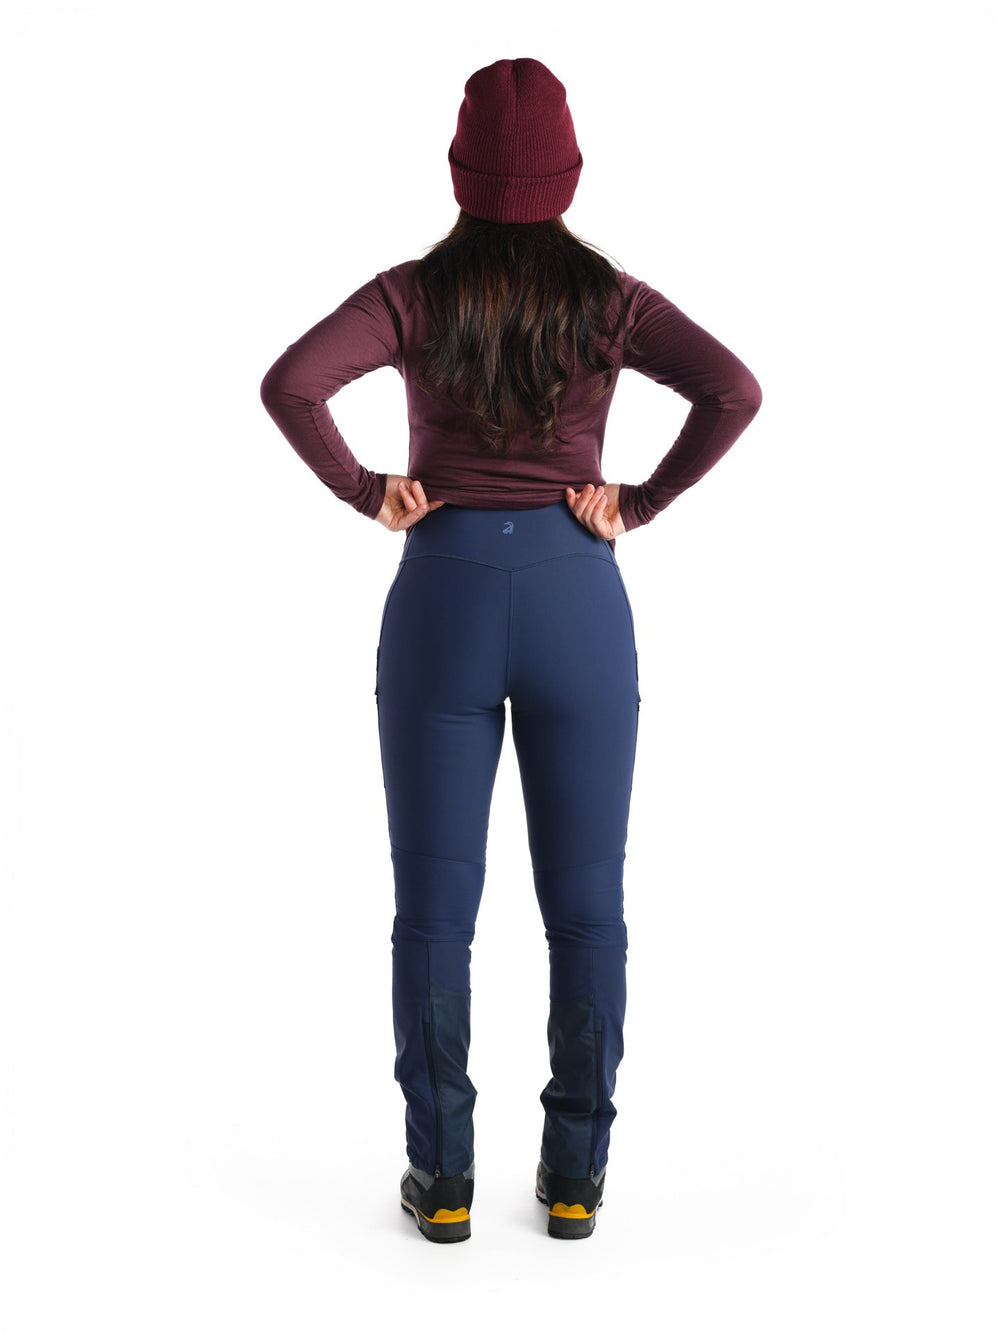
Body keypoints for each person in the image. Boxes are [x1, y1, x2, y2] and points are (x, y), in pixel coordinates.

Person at [259, 56, 762, 1244]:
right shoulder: (609, 299)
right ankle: (575, 1176)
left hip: (439, 596)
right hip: (574, 597)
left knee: (434, 910)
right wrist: (637, 503)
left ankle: (442, 1179)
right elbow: (733, 391)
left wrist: (368, 489)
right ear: (568, 174)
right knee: (586, 908)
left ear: (460, 172)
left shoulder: (411, 295)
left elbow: (291, 384)